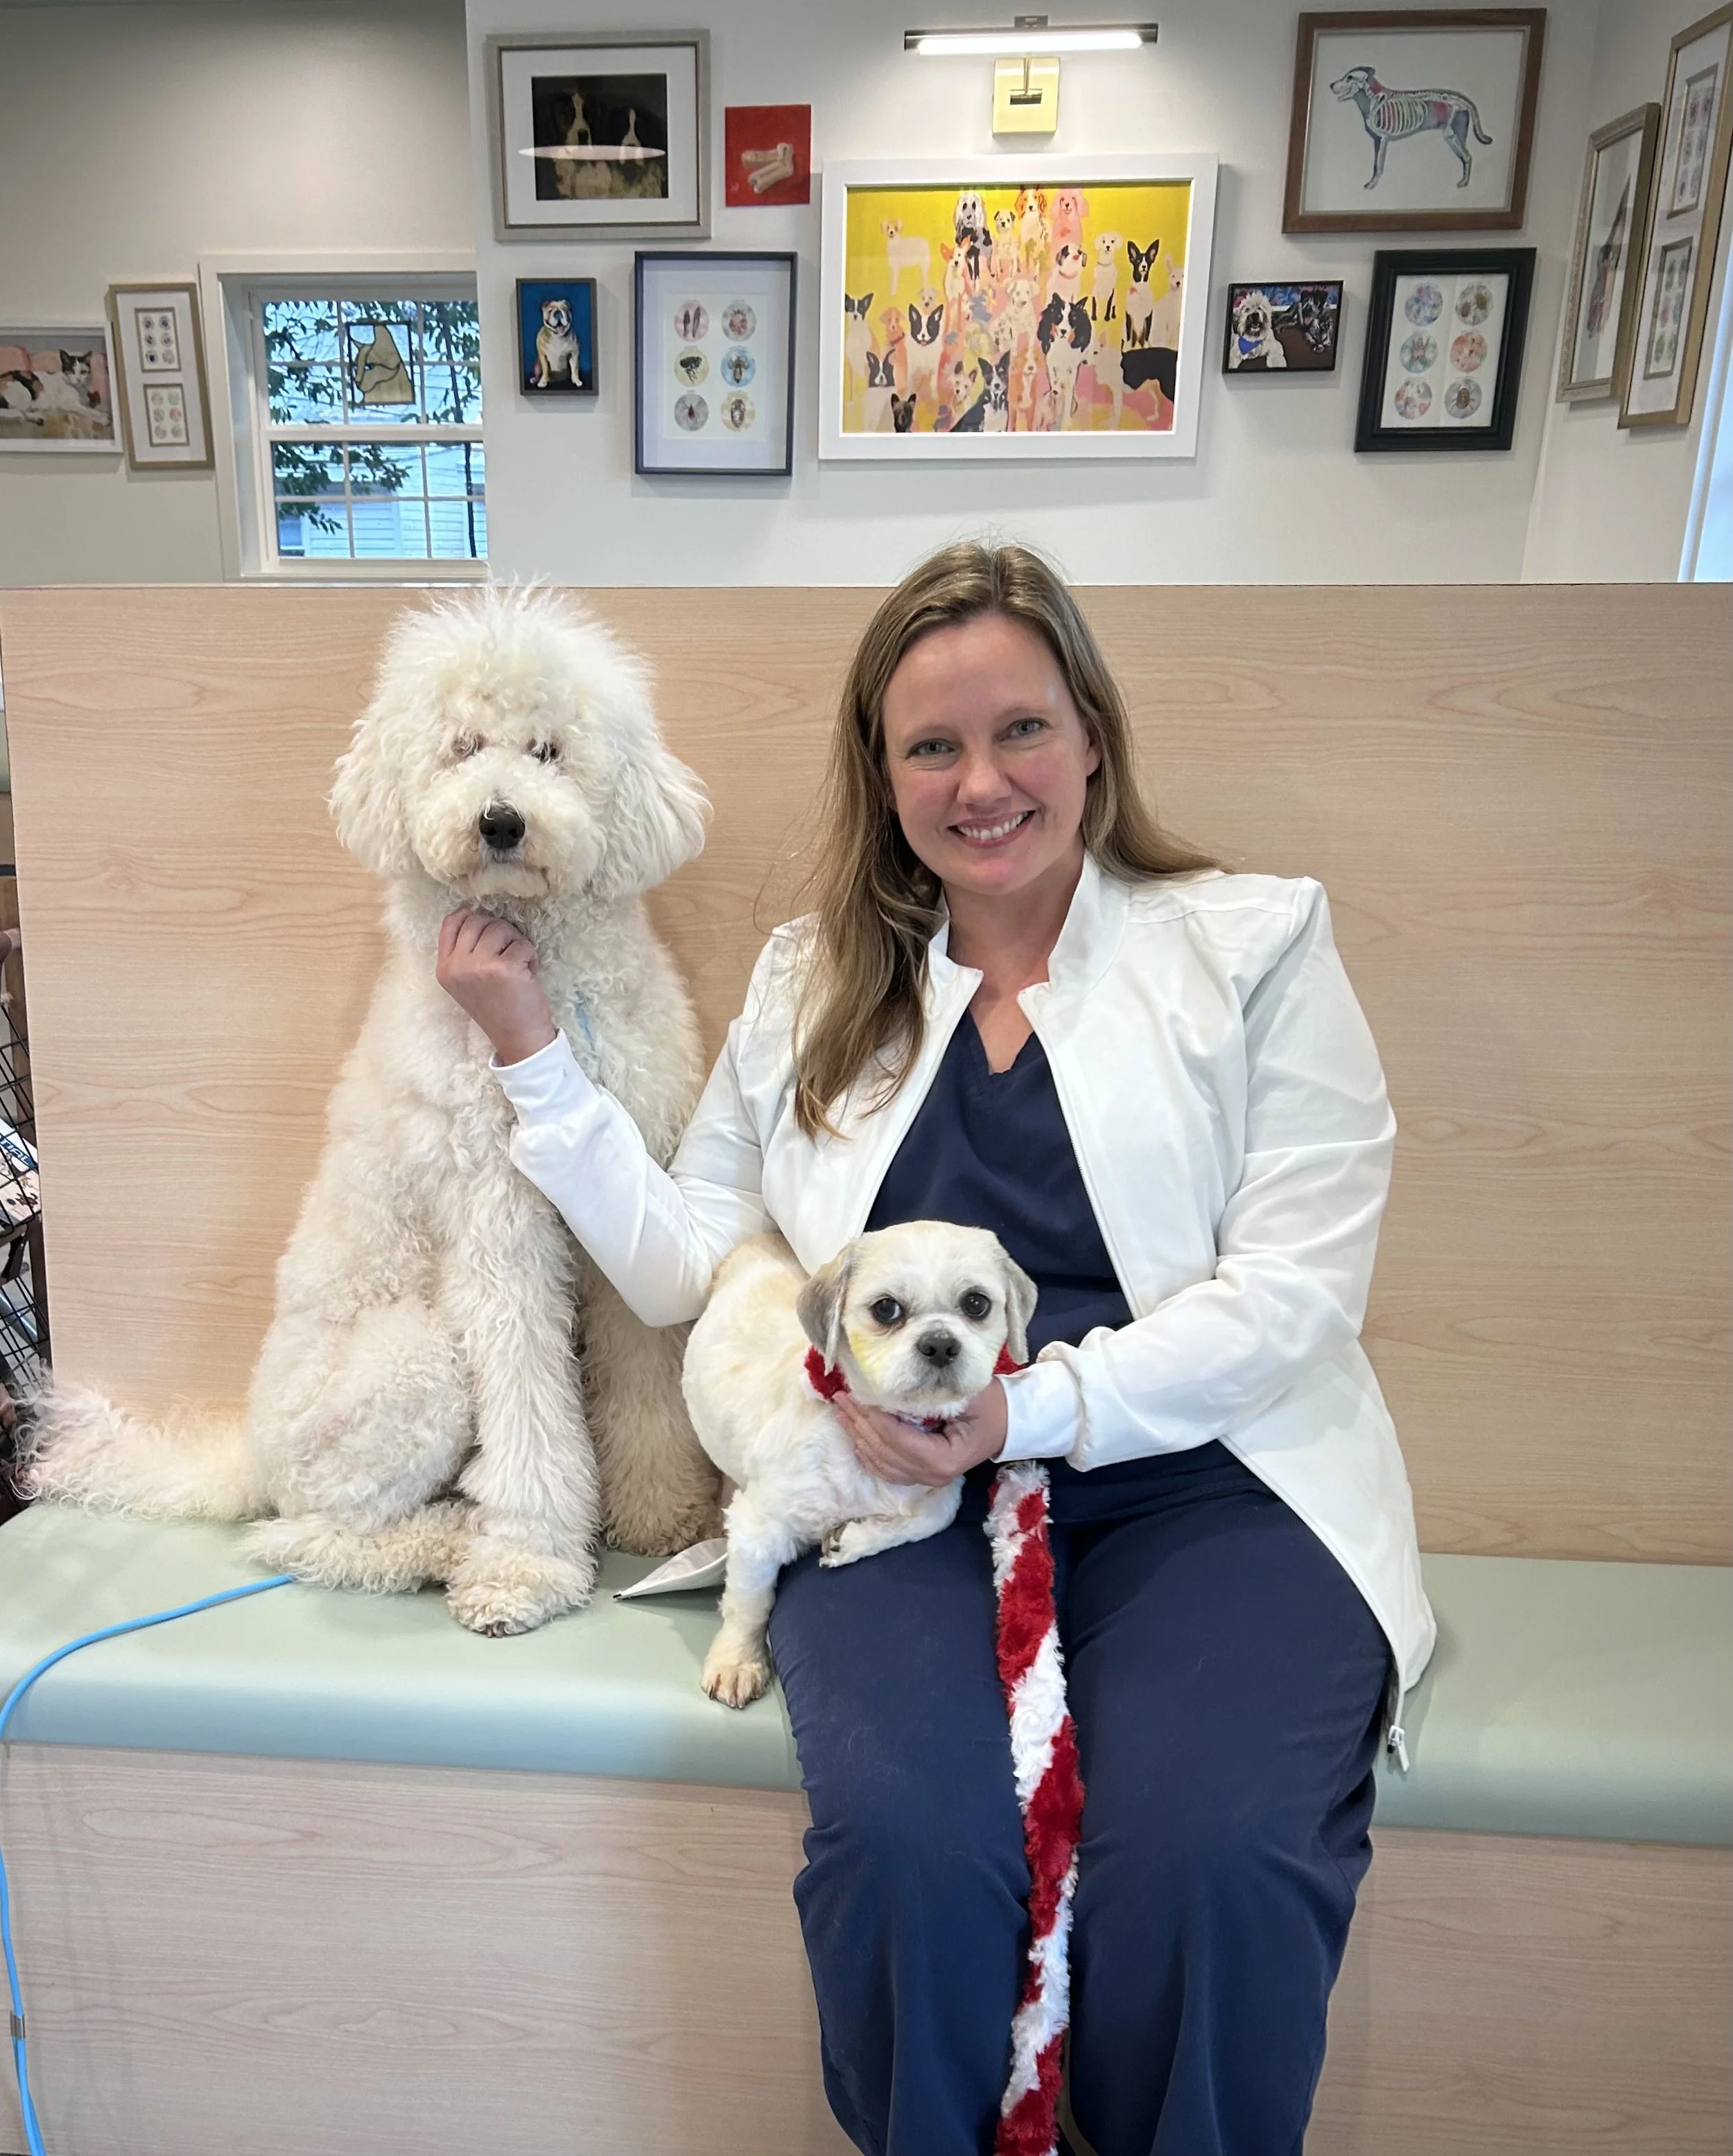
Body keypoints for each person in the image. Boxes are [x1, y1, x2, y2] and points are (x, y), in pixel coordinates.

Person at [436, 542, 1436, 2156]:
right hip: (884, 1493)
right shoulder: (810, 981)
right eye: (930, 745)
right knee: (912, 1845)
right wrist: (532, 1056)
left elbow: (1295, 1292)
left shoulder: (1249, 946)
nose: (980, 783)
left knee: (1208, 1854)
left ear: (1091, 734)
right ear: (881, 773)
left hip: (1214, 1484)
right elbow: (682, 1259)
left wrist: (1030, 1409)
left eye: (1020, 728)